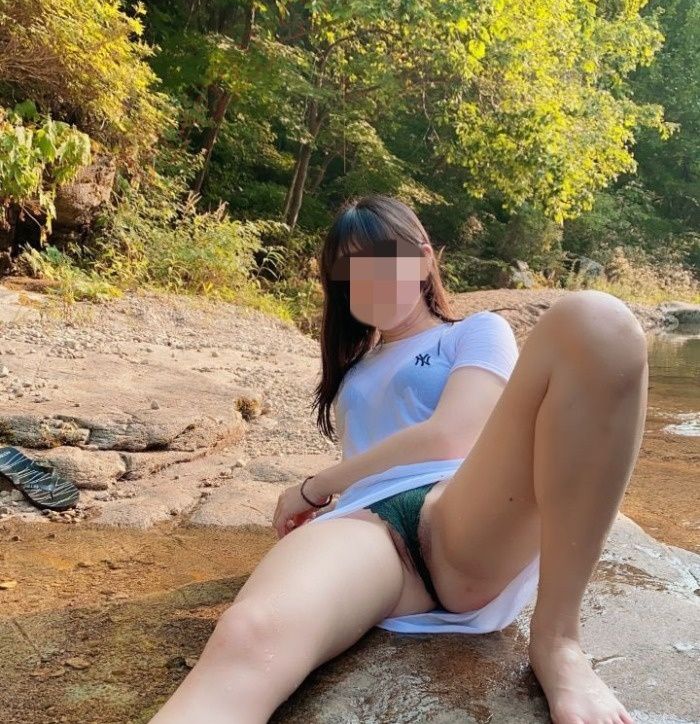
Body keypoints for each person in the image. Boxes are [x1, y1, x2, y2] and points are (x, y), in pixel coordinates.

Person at [149, 194, 648, 724]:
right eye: (352, 273)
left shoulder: (474, 331)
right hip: (368, 530)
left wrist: (315, 486)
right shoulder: (354, 367)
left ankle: (558, 641)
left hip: (467, 510)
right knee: (251, 633)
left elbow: (453, 435)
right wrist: (335, 499)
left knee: (597, 320)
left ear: (424, 259)